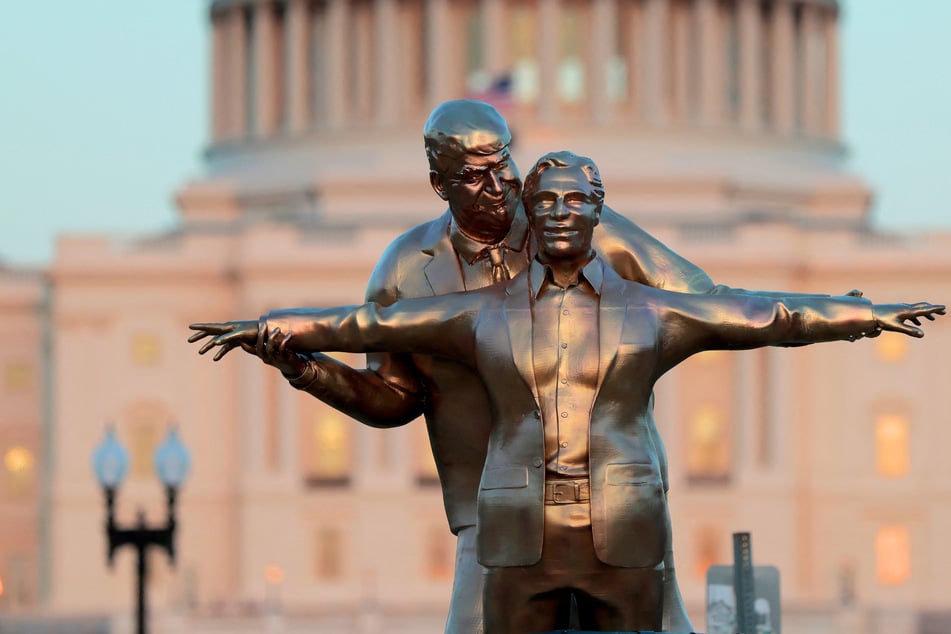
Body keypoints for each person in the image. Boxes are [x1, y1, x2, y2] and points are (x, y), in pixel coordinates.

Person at [190, 151, 944, 634]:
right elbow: (362, 322)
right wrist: (276, 333)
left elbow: (769, 314)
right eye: (543, 202)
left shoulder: (654, 309)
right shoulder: (478, 312)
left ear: (597, 212)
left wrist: (863, 316)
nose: (554, 214)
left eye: (572, 202)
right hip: (516, 525)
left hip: (624, 520)